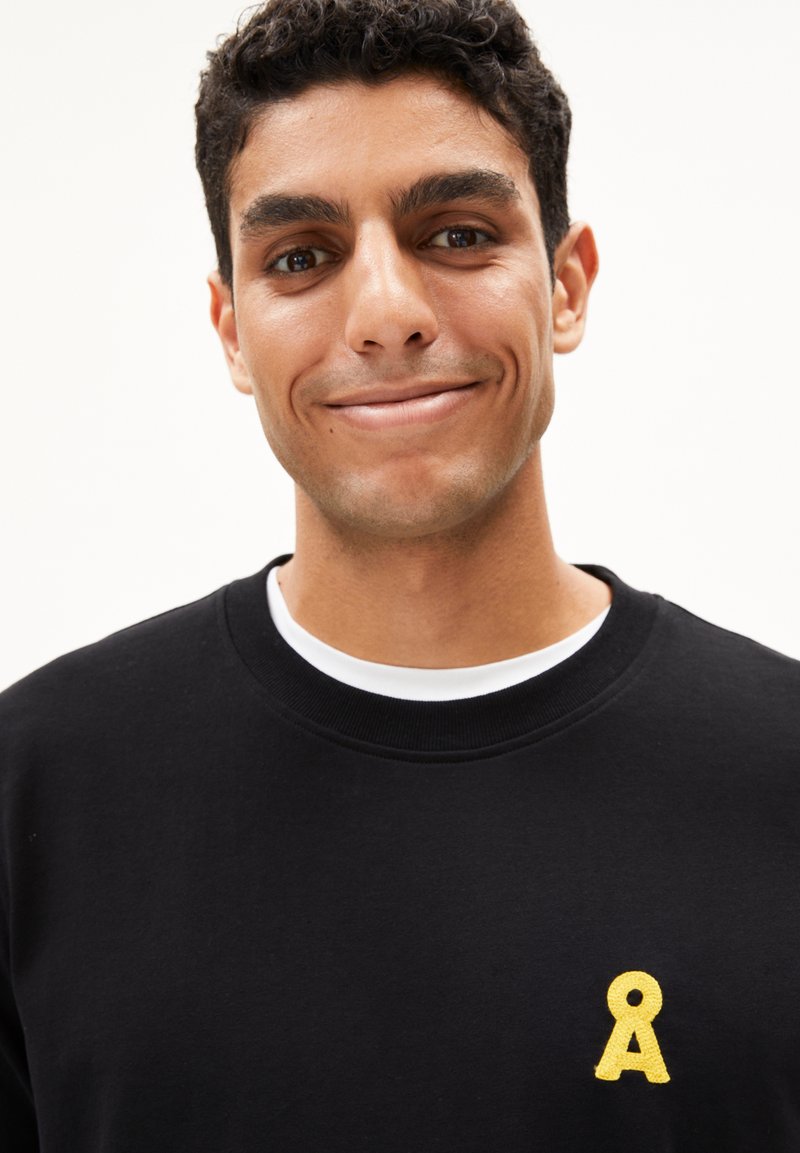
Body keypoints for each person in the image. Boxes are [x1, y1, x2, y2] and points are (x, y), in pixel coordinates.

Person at [1, 0, 798, 1148]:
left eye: (457, 234)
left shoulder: (778, 778)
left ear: (565, 285)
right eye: (300, 257)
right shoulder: (34, 796)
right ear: (230, 329)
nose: (385, 314)